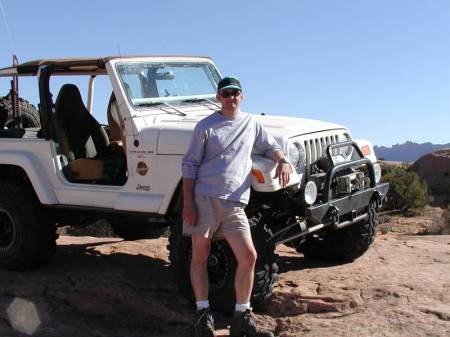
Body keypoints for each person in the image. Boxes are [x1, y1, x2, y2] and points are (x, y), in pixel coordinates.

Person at [182, 77, 292, 337]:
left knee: (249, 256)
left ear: (242, 96)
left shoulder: (251, 123)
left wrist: (283, 160)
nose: (231, 97)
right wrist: (188, 202)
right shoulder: (205, 127)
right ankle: (202, 315)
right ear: (218, 97)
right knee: (200, 256)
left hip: (235, 203)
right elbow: (190, 165)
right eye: (226, 93)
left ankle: (242, 316)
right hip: (205, 198)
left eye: (235, 93)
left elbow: (271, 145)